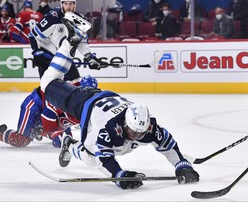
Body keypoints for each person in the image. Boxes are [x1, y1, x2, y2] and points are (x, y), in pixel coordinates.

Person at [43, 78, 200, 189]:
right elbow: (103, 160)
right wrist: (119, 175)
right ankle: (70, 144)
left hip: (107, 98)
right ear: (125, 123)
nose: (135, 135)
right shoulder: (109, 129)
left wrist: (182, 165)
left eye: (140, 133)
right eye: (132, 131)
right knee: (91, 158)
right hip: (84, 102)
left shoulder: (149, 128)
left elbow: (168, 145)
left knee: (107, 152)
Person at [0, 75, 98, 148]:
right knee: (21, 140)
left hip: (47, 112)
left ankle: (37, 131)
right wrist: (51, 133)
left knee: (64, 139)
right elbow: (48, 114)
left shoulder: (85, 101)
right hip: (34, 105)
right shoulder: (65, 95)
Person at [28, 0, 101, 92]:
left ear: (75, 4)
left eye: (71, 3)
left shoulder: (79, 19)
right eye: (65, 3)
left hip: (65, 57)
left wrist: (89, 57)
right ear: (61, 4)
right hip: (47, 58)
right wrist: (36, 52)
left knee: (75, 84)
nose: (68, 6)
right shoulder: (52, 17)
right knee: (48, 90)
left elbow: (82, 41)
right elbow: (33, 35)